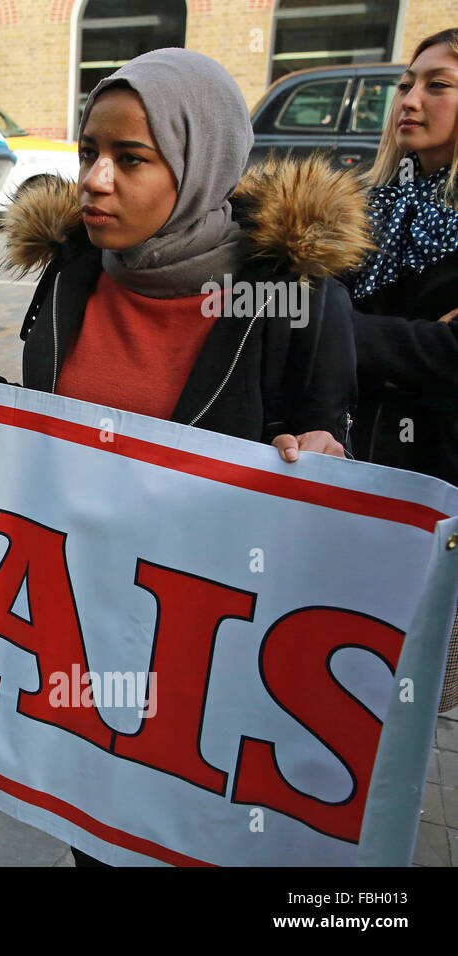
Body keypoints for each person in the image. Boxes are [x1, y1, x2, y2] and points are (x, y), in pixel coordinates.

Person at [0, 48, 367, 864]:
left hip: (206, 673)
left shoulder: (294, 299)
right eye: (89, 153)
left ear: (198, 164)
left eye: (130, 159)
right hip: (75, 636)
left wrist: (324, 458)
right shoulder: (72, 273)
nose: (95, 179)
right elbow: (44, 428)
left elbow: (330, 452)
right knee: (95, 837)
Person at [348, 27, 458, 713]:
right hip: (359, 464)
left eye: (437, 85)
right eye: (406, 84)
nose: (410, 100)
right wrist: (415, 346)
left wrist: (347, 336)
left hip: (441, 482)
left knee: (416, 690)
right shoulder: (369, 205)